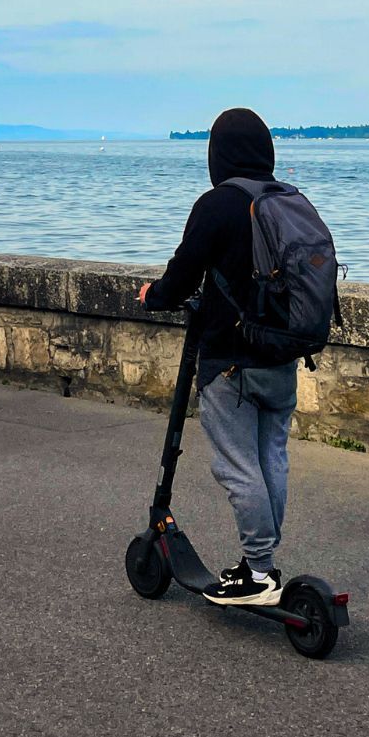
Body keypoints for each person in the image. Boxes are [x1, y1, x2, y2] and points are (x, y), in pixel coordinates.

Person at [137, 107, 297, 607]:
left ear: (218, 153)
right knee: (271, 457)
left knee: (236, 466)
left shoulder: (218, 204)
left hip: (230, 361)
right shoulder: (288, 200)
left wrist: (153, 295)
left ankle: (260, 572)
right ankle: (262, 566)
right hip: (284, 356)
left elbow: (183, 275)